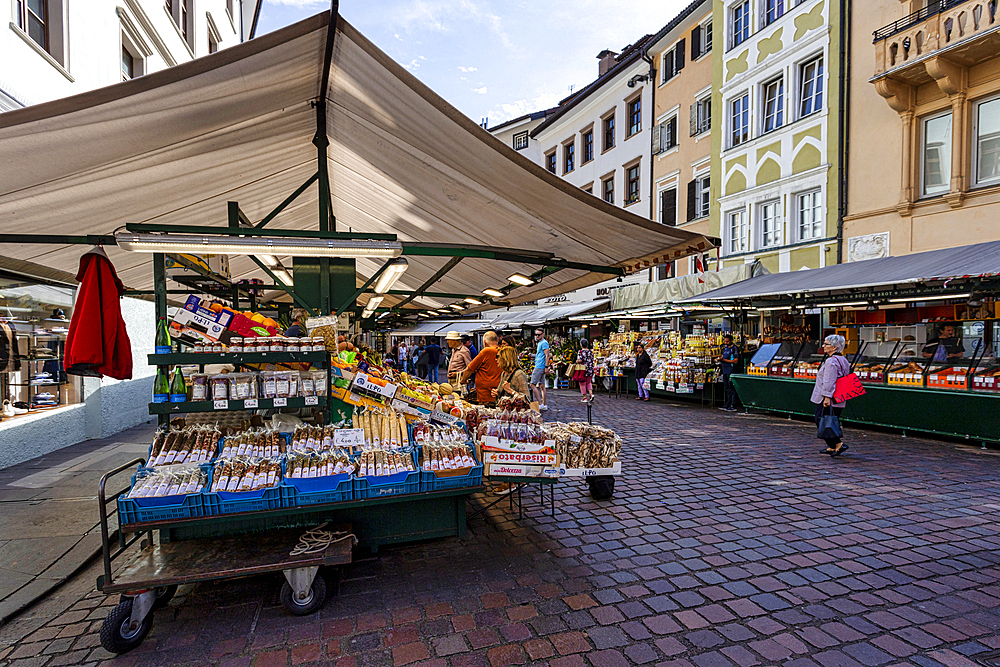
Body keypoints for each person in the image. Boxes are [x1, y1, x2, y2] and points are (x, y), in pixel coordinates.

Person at [812, 334, 851, 457]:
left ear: (834, 347)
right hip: (840, 396)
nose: (823, 346)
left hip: (828, 397)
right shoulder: (843, 360)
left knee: (821, 419)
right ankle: (832, 446)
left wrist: (827, 397)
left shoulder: (831, 362)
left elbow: (829, 380)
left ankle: (838, 444)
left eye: (826, 344)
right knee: (832, 420)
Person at [461, 330, 502, 404]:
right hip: (499, 391)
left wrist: (463, 380)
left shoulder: (486, 351)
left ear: (484, 342)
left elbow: (469, 369)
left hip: (485, 393)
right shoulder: (502, 351)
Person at [530, 329, 552, 411]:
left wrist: (546, 367)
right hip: (540, 365)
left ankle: (540, 404)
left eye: (538, 334)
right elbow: (541, 354)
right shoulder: (540, 343)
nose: (537, 336)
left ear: (543, 334)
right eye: (536, 335)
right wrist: (532, 355)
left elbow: (547, 355)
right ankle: (544, 404)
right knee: (542, 386)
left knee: (532, 384)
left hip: (540, 366)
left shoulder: (544, 343)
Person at [717, 334, 739, 411]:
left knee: (732, 388)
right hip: (725, 370)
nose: (726, 343)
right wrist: (719, 359)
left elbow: (735, 361)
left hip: (731, 370)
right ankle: (728, 404)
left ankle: (733, 405)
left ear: (731, 341)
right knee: (727, 388)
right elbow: (723, 357)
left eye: (727, 341)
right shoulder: (726, 348)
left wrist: (724, 360)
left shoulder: (734, 348)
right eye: (725, 341)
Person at [576, 339, 595, 403]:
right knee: (589, 382)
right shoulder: (590, 351)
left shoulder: (580, 352)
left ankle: (585, 397)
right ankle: (591, 394)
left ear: (581, 345)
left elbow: (580, 360)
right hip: (590, 369)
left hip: (583, 370)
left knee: (582, 383)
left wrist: (577, 361)